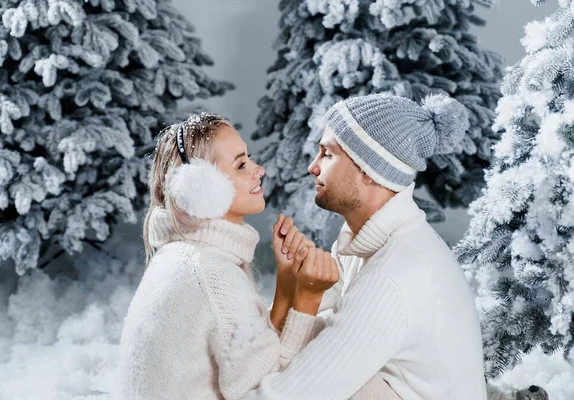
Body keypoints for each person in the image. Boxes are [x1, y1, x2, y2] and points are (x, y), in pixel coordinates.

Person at [117, 113, 398, 399]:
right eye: (241, 165)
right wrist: (308, 298)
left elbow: (252, 357)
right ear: (202, 187)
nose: (259, 169)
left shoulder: (185, 257)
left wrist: (288, 284)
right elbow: (271, 391)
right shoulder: (212, 273)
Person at [242, 93, 488, 399]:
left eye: (327, 154)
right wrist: (294, 284)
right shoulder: (370, 241)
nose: (312, 167)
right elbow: (309, 325)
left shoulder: (394, 273)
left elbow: (295, 393)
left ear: (369, 170)